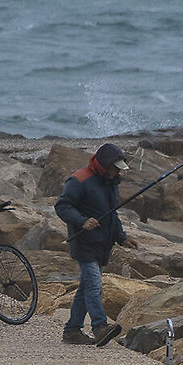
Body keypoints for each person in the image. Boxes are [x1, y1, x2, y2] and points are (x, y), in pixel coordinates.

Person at [55, 143, 130, 345]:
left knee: (86, 287)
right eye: (116, 169)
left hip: (102, 245)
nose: (119, 173)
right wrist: (82, 221)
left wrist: (122, 237)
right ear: (105, 165)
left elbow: (112, 214)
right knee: (94, 285)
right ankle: (99, 327)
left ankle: (72, 330)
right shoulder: (80, 179)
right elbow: (62, 206)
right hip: (84, 243)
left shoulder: (111, 183)